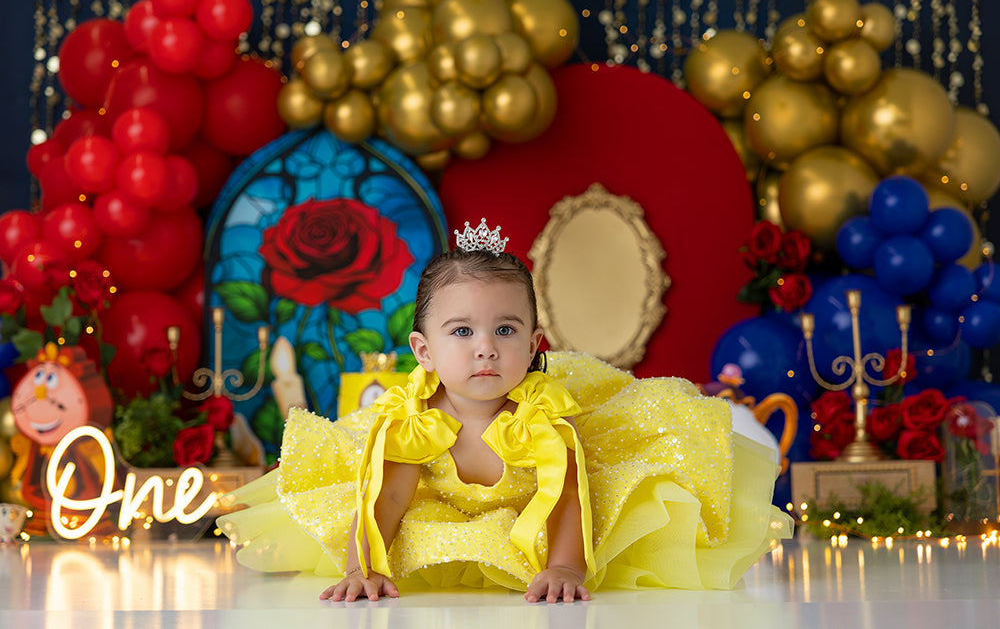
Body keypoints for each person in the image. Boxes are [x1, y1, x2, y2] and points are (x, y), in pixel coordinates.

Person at [216, 219, 792, 603]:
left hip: (534, 523)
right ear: (424, 351)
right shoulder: (412, 421)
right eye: (461, 330)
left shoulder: (543, 416)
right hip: (445, 509)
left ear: (536, 343)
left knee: (624, 480)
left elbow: (567, 494)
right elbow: (386, 497)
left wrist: (565, 568)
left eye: (506, 329)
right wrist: (362, 567)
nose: (485, 346)